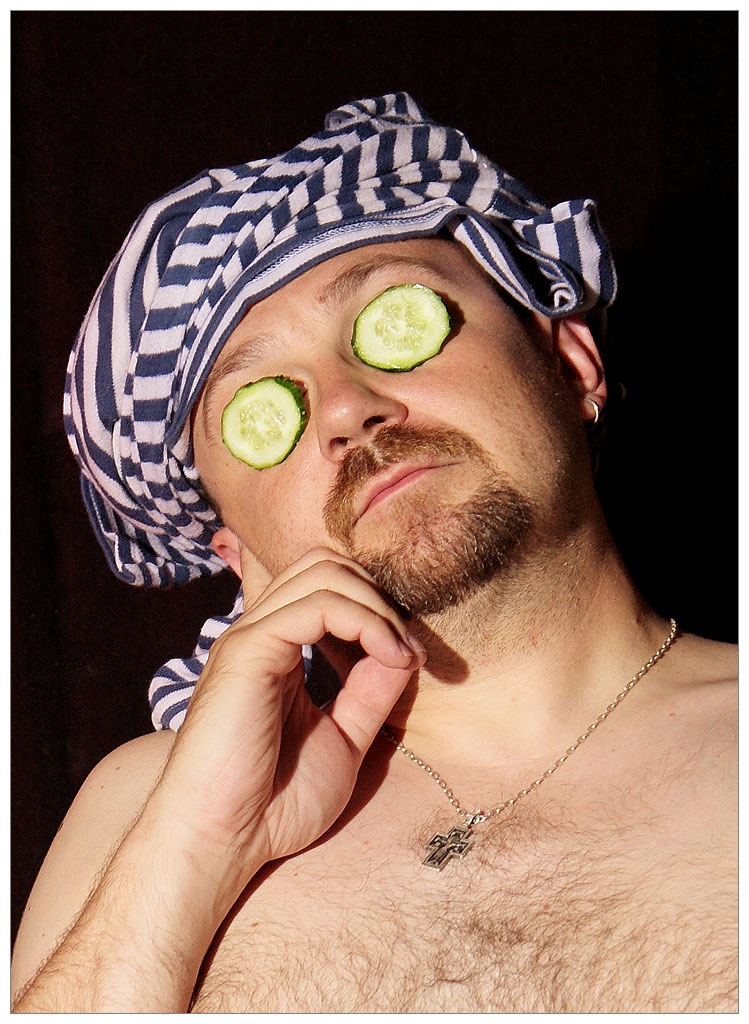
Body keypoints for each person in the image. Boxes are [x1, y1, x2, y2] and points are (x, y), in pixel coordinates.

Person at [11, 93, 737, 1013]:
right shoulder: (145, 808)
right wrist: (193, 846)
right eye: (263, 408)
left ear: (568, 363)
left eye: (394, 320)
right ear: (235, 551)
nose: (346, 408)